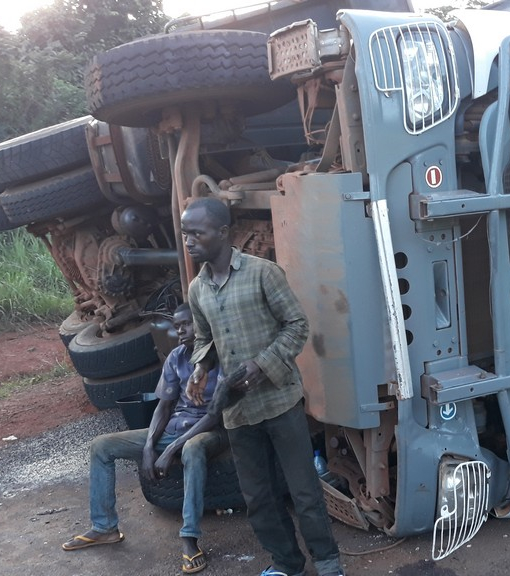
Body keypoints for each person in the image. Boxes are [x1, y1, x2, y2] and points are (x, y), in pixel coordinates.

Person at [181, 197, 344, 576]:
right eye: (185, 233)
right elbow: (204, 338)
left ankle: (328, 563)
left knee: (303, 491)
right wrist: (199, 368)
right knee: (257, 498)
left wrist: (261, 364)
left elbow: (297, 325)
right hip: (238, 410)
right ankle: (287, 563)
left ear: (222, 233)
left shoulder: (262, 273)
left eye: (197, 233)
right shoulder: (197, 289)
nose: (189, 241)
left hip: (280, 400)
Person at [62, 303, 225, 574]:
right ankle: (105, 527)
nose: (181, 330)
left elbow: (215, 415)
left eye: (187, 324)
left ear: (204, 325)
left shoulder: (222, 357)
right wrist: (150, 446)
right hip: (174, 430)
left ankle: (189, 538)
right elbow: (163, 405)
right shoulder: (176, 357)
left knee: (191, 450)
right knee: (101, 446)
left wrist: (171, 448)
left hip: (208, 432)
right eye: (177, 326)